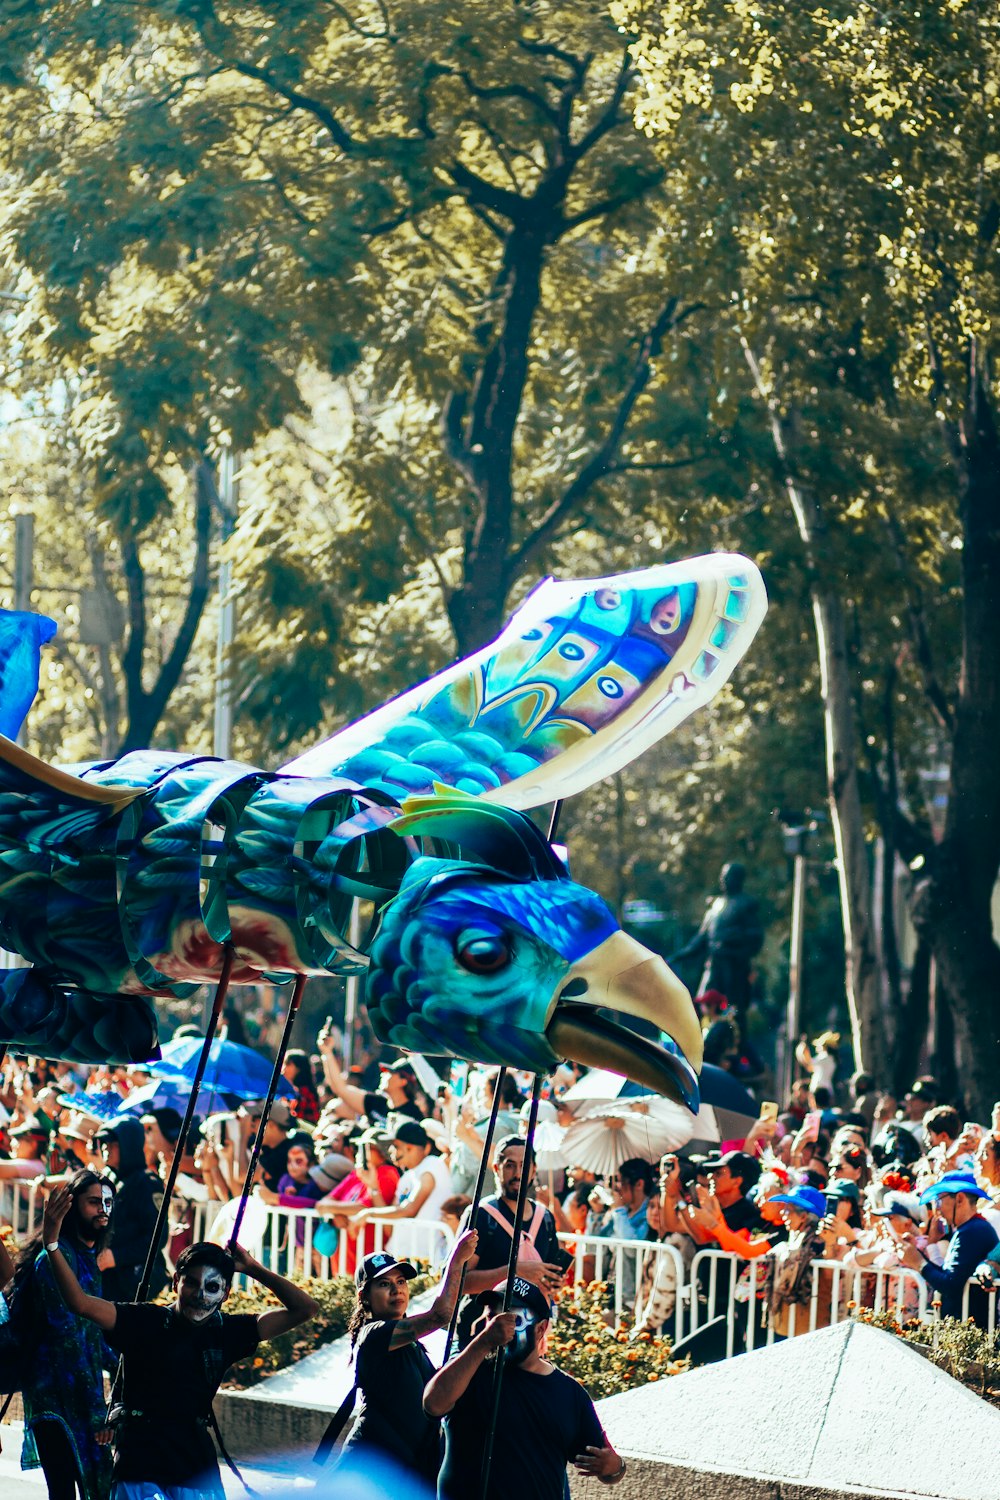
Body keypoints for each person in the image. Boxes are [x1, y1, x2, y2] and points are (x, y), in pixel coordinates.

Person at [41, 1182, 318, 1500]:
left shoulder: (226, 1331)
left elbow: (305, 1309)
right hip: (140, 1464)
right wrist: (51, 1243)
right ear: (176, 1281)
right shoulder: (143, 1319)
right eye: (192, 1283)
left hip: (195, 1468)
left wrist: (253, 1268)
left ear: (225, 1293)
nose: (200, 1295)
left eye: (212, 1287)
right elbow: (80, 1303)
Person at [424, 1276, 626, 1499]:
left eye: (513, 1320)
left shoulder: (569, 1393)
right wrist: (483, 1342)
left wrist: (614, 1466)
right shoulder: (469, 1370)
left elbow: (607, 1468)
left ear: (541, 1329)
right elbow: (433, 1404)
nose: (499, 1327)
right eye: (492, 1318)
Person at [338, 1233, 478, 1481]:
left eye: (401, 1281)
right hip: (368, 1471)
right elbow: (440, 1316)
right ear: (364, 1296)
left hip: (403, 1473)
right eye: (383, 1284)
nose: (396, 1290)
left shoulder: (414, 1346)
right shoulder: (374, 1335)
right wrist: (455, 1263)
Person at [13, 1170, 116, 1500]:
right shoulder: (55, 1260)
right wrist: (99, 1412)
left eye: (107, 1203)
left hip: (81, 1398)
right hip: (54, 1400)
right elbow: (68, 1339)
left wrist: (127, 1363)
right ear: (71, 1208)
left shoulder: (86, 1258)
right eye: (93, 1202)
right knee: (63, 1491)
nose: (102, 1209)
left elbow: (92, 1335)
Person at [453, 1136, 564, 1349]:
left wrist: (553, 1282)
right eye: (510, 1165)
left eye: (524, 1165)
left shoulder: (545, 1218)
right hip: (481, 1335)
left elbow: (549, 1274)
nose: (517, 1173)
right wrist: (514, 1273)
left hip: (529, 1337)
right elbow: (459, 1282)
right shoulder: (481, 1215)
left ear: (533, 1169)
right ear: (496, 1168)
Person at [897, 1170, 998, 1323]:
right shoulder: (970, 1228)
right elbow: (948, 1276)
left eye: (939, 1201)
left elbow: (950, 1284)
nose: (937, 1209)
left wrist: (919, 1263)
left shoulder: (974, 1230)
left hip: (970, 1331)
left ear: (959, 1199)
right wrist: (917, 1256)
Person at [356, 1119, 454, 1262]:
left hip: (422, 1260)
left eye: (396, 1146)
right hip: (400, 1256)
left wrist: (368, 1213)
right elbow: (391, 1223)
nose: (391, 1151)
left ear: (410, 1148)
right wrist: (374, 1187)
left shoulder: (432, 1165)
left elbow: (409, 1210)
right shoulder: (407, 1176)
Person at [94, 1116, 168, 1301]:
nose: (105, 1147)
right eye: (103, 1143)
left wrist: (116, 1256)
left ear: (128, 1145)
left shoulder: (147, 1184)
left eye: (112, 1143)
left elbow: (157, 1237)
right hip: (105, 1277)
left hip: (131, 1280)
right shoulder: (107, 1178)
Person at [282, 1048, 321, 1125]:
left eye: (288, 1064)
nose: (283, 1068)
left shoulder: (304, 1093)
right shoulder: (291, 1090)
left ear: (298, 1068)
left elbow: (297, 1121)